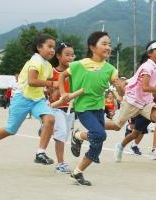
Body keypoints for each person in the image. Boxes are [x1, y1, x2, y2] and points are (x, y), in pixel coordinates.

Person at [59, 31, 122, 186]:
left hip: (99, 109)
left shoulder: (110, 69)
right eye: (104, 44)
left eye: (110, 44)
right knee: (100, 134)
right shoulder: (78, 64)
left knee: (97, 144)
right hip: (83, 108)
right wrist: (63, 93)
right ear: (92, 47)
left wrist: (120, 87)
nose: (108, 47)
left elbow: (118, 87)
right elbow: (62, 76)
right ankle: (79, 136)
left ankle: (77, 172)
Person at [0, 34, 57, 165]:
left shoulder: (48, 66)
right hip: (21, 98)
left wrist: (54, 94)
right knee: (10, 130)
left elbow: (50, 85)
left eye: (54, 48)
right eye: (49, 46)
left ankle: (40, 153)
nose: (52, 50)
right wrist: (52, 85)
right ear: (39, 47)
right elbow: (32, 81)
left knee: (50, 120)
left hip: (37, 99)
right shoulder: (35, 61)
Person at [105, 40, 156, 160]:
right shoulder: (147, 66)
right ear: (149, 53)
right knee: (116, 126)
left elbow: (152, 81)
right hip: (132, 101)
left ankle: (155, 150)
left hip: (145, 102)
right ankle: (96, 125)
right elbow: (145, 87)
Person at [48, 41, 75, 173]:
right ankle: (60, 164)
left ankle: (46, 129)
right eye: (67, 55)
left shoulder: (75, 72)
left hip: (71, 109)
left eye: (72, 55)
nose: (71, 58)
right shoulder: (52, 72)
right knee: (62, 134)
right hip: (56, 108)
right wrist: (62, 81)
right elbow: (52, 97)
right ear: (58, 56)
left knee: (64, 136)